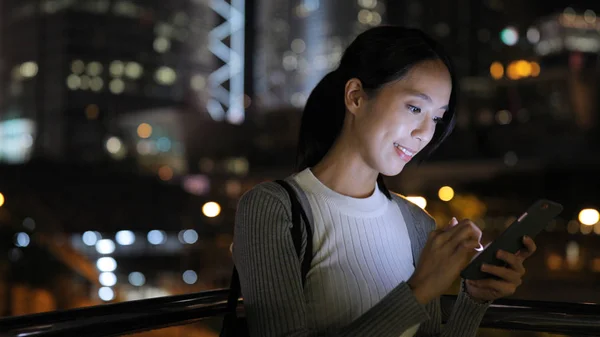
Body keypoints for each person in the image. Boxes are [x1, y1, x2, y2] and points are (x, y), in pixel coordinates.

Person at [233, 26, 537, 337]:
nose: (424, 132)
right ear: (355, 97)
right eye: (415, 107)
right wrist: (419, 289)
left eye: (436, 117)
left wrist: (473, 298)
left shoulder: (419, 224)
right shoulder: (274, 208)